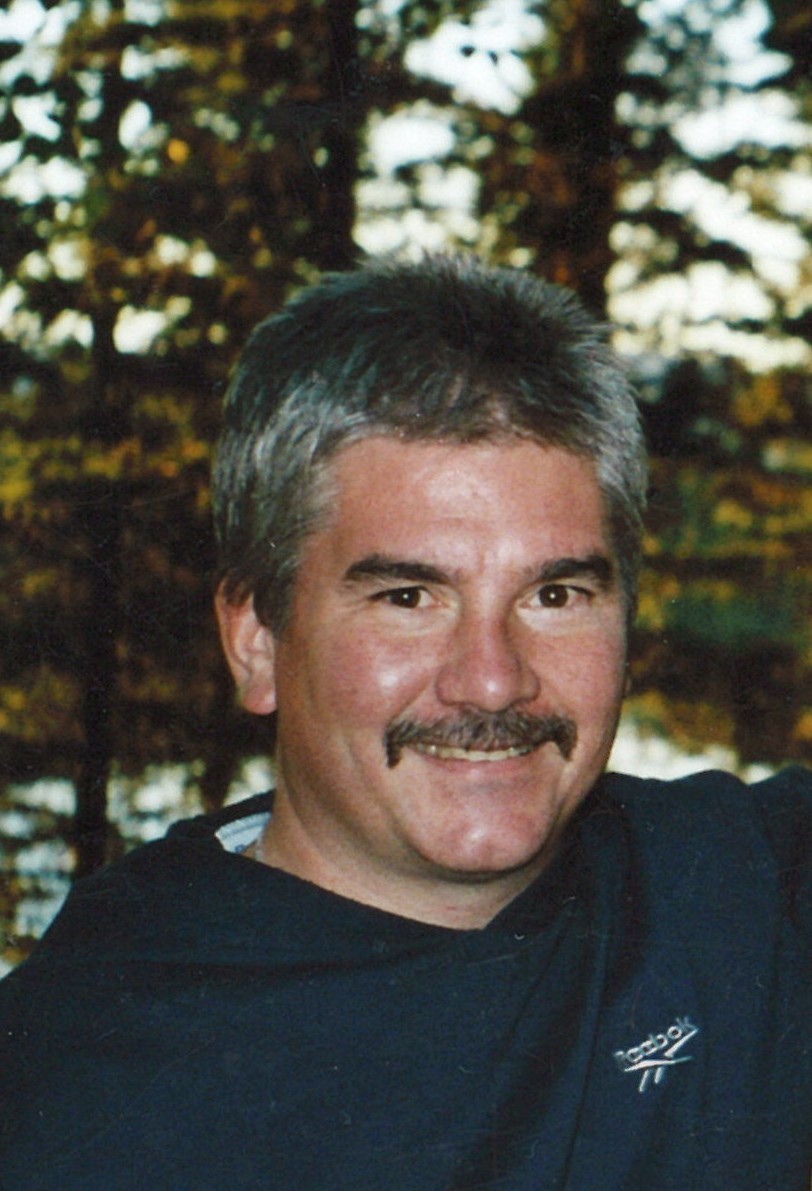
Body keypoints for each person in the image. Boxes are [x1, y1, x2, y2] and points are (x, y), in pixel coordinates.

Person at [0, 256, 809, 1190]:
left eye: (554, 594)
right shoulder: (81, 1080)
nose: (493, 682)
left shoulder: (741, 893)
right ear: (257, 639)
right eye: (408, 596)